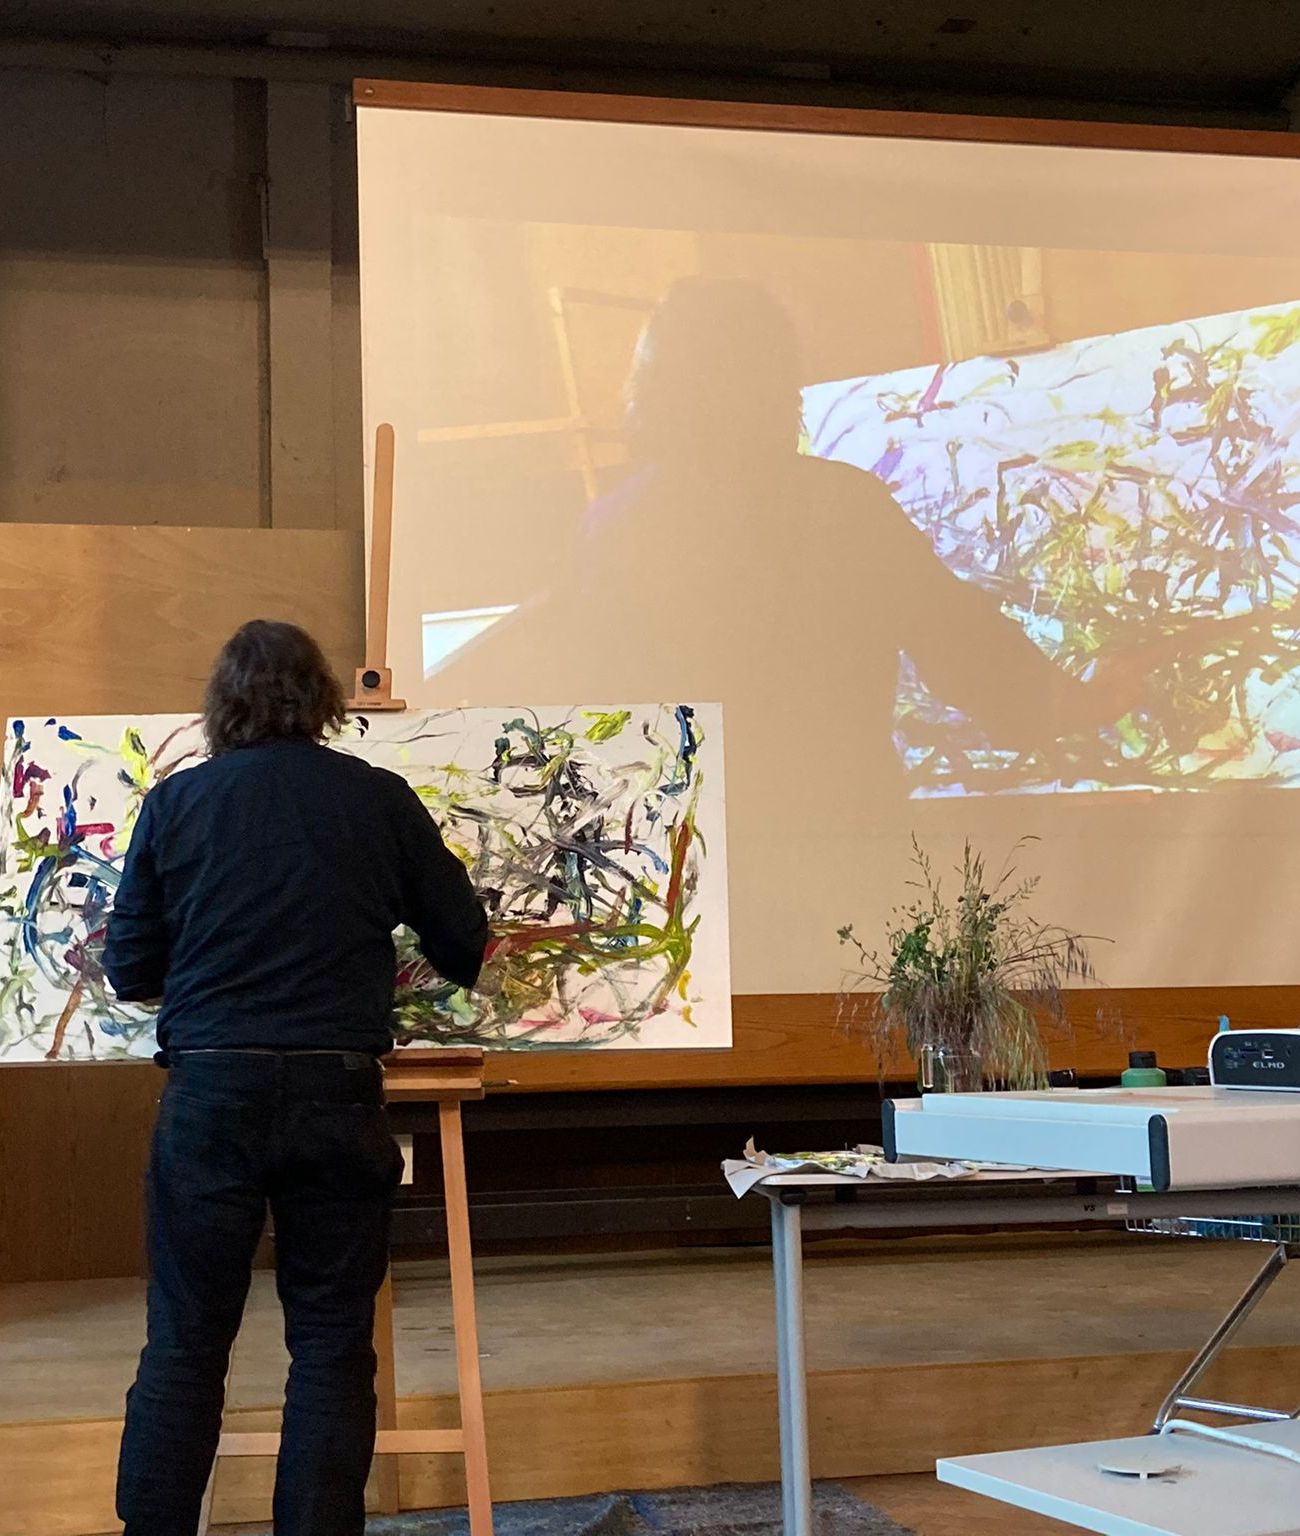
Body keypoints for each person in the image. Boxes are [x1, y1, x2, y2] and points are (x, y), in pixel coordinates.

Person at [434, 276, 1121, 804]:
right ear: (776, 385)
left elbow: (583, 716)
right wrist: (1092, 701)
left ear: (652, 386)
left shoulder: (608, 526)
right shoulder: (843, 507)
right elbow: (970, 658)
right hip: (844, 844)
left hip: (687, 865)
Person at [104, 619, 490, 1536]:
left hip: (209, 1093)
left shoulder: (176, 804)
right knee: (330, 1342)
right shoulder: (377, 799)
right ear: (322, 701)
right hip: (337, 1091)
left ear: (221, 707)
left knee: (186, 1342)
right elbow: (464, 943)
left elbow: (129, 969)